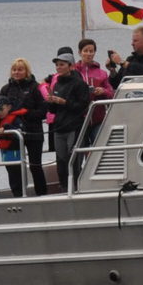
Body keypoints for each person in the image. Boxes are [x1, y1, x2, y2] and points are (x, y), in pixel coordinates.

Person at [0, 58, 48, 197]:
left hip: (33, 132)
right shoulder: (6, 89)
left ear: (27, 71)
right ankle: (18, 195)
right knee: (14, 167)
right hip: (12, 133)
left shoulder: (35, 87)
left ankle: (41, 195)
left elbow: (43, 111)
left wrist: (26, 114)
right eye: (14, 69)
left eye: (20, 69)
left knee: (35, 166)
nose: (17, 72)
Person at [47, 49, 91, 191]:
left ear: (71, 66)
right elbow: (53, 110)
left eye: (61, 65)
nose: (58, 67)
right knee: (61, 161)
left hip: (74, 127)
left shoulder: (80, 84)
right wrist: (51, 102)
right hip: (59, 127)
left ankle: (77, 188)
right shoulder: (57, 83)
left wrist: (64, 102)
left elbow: (82, 107)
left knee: (74, 160)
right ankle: (64, 188)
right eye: (57, 65)